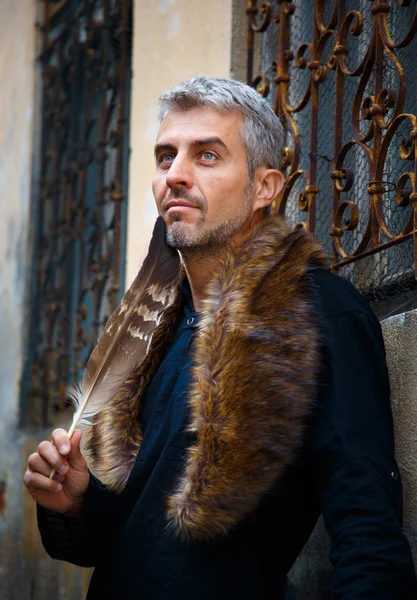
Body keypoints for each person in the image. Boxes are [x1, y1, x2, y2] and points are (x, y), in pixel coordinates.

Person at [24, 76, 417, 599]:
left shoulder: (320, 313)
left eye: (207, 156)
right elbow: (129, 540)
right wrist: (77, 502)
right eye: (166, 157)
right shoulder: (158, 334)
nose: (176, 175)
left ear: (265, 188)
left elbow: (367, 529)